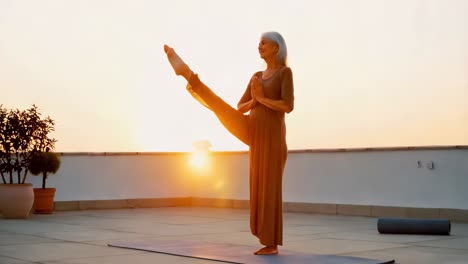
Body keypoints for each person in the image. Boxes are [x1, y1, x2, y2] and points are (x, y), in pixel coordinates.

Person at [163, 31, 294, 255]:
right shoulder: (256, 76)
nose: (259, 45)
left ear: (276, 48)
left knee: (268, 189)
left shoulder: (284, 72)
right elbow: (240, 106)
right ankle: (188, 75)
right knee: (222, 109)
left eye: (264, 43)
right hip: (254, 131)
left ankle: (271, 245)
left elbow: (288, 106)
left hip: (272, 138)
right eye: (259, 42)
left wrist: (261, 99)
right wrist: (255, 98)